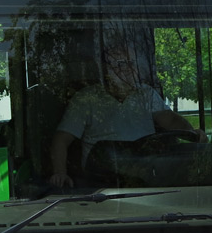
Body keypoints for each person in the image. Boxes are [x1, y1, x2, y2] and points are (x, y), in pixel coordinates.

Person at [48, 41, 204, 188]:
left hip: (147, 181)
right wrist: (60, 174)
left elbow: (170, 120)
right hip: (102, 184)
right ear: (106, 69)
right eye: (122, 64)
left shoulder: (146, 94)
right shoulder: (86, 98)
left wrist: (192, 133)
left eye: (132, 64)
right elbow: (61, 140)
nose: (128, 70)